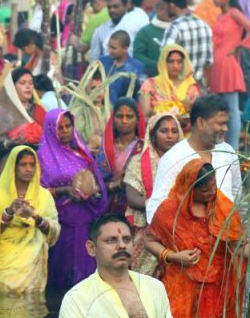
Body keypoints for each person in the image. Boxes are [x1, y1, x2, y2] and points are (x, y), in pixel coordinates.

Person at [145, 160, 250, 318]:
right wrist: (174, 256)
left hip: (217, 289)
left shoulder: (223, 208)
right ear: (189, 189)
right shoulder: (169, 210)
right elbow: (149, 241)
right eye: (205, 191)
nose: (212, 193)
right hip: (181, 289)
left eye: (214, 186)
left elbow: (237, 247)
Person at [39, 109, 109, 292]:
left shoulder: (81, 153)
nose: (65, 131)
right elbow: (39, 191)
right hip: (59, 223)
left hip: (83, 221)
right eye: (59, 128)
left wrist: (92, 192)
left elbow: (95, 181)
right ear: (50, 129)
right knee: (60, 274)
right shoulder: (42, 156)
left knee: (85, 273)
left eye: (68, 126)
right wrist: (64, 191)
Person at [146, 94, 242, 224]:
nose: (226, 129)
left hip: (224, 235)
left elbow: (236, 191)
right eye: (221, 123)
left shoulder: (228, 152)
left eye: (226, 123)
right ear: (201, 122)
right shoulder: (174, 157)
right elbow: (157, 205)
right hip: (188, 239)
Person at [0, 146, 61, 293]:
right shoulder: (0, 195)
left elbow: (54, 230)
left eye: (32, 164)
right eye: (23, 165)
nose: (28, 169)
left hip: (33, 257)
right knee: (6, 301)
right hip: (7, 259)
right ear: (14, 167)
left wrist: (35, 217)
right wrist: (9, 212)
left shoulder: (44, 196)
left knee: (32, 304)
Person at [124, 112, 182, 276]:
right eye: (164, 131)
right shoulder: (137, 162)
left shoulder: (185, 161)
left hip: (177, 228)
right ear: (153, 135)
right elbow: (133, 198)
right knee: (143, 282)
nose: (170, 136)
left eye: (174, 131)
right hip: (146, 231)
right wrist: (164, 207)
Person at [210, 0, 250, 149]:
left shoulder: (234, 13)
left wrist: (238, 46)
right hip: (217, 65)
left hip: (229, 64)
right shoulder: (219, 16)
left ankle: (233, 148)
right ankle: (221, 145)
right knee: (219, 108)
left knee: (232, 107)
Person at [0, 67, 47, 180]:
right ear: (12, 88)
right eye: (23, 83)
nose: (28, 86)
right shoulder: (0, 113)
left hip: (39, 170)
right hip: (9, 170)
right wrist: (8, 143)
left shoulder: (40, 111)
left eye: (31, 83)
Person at [101, 97, 146, 215]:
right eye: (120, 116)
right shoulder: (105, 147)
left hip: (135, 208)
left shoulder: (143, 148)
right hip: (107, 207)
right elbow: (98, 181)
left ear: (137, 120)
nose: (124, 121)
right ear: (113, 119)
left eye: (129, 117)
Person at [160, 0, 213, 84]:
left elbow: (164, 58)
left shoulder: (174, 28)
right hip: (197, 87)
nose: (164, 9)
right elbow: (208, 62)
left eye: (164, 5)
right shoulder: (204, 25)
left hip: (178, 88)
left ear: (172, 6)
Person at [138, 44, 201, 122]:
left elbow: (198, 116)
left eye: (179, 62)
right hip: (157, 131)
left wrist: (185, 114)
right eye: (171, 61)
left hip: (186, 132)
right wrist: (162, 117)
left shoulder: (191, 86)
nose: (175, 66)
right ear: (163, 62)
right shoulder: (149, 85)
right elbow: (144, 117)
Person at [100, 30, 147, 105]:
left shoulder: (137, 67)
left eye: (113, 48)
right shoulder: (102, 63)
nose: (110, 50)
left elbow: (142, 93)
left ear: (125, 49)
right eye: (109, 46)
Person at [133, 0, 172, 78]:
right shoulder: (145, 32)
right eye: (169, 11)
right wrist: (159, 65)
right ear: (159, 11)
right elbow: (138, 55)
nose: (173, 14)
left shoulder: (179, 29)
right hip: (153, 79)